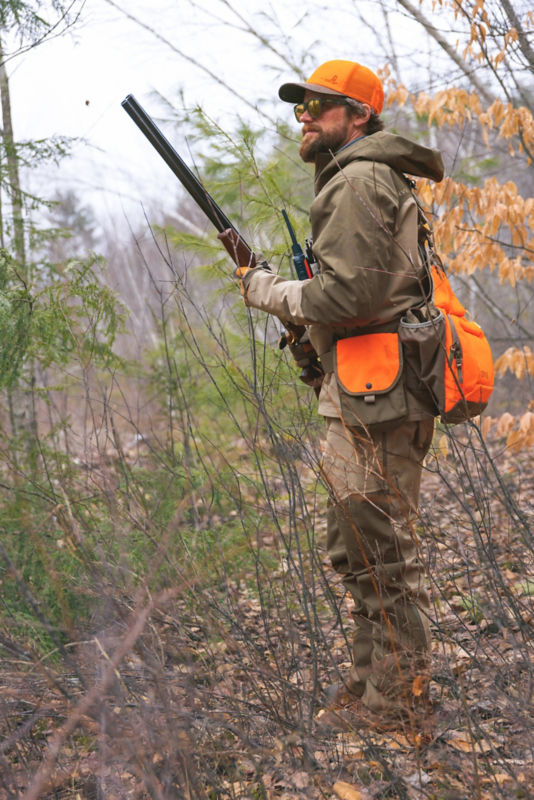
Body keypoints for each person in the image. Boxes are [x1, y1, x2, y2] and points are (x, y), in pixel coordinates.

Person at [235, 60, 444, 728]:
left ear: (358, 118)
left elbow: (349, 296)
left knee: (380, 550)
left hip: (379, 396)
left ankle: (399, 703)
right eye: (301, 107)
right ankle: (370, 688)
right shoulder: (362, 176)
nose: (305, 117)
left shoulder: (356, 181)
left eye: (319, 107)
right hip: (367, 387)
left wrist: (269, 291)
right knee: (356, 547)